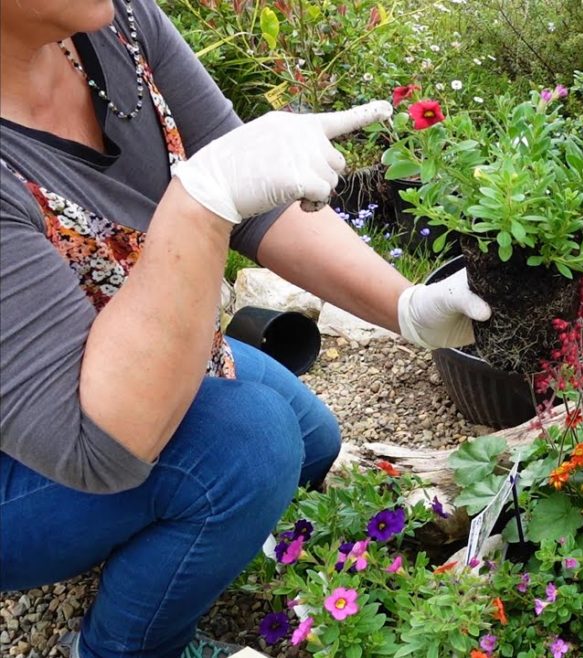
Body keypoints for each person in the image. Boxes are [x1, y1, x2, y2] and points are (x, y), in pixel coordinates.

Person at [0, 0, 490, 655]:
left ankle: (214, 535)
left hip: (112, 345)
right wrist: (202, 205)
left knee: (311, 439)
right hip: (42, 441)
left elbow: (258, 210)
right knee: (247, 448)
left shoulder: (115, 22)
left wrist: (405, 307)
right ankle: (126, 646)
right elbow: (101, 444)